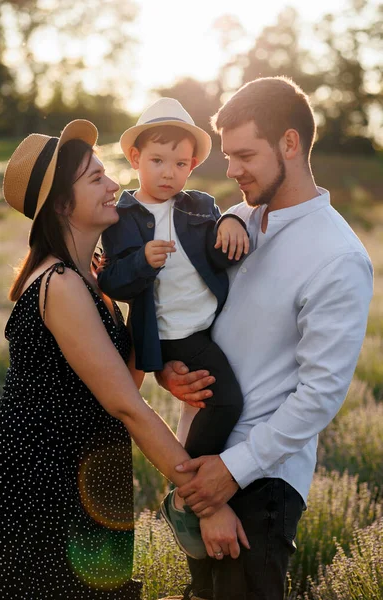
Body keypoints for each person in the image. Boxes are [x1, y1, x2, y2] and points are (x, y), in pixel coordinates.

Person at [0, 119, 248, 599]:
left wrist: (165, 367)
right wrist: (204, 502)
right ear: (63, 203)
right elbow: (126, 404)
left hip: (84, 475)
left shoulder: (93, 280)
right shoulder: (60, 284)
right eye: (96, 178)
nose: (114, 186)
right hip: (39, 483)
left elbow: (118, 376)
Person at [157, 77, 373, 600]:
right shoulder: (238, 222)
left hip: (261, 483)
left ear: (290, 144)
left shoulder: (337, 258)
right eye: (229, 156)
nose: (231, 170)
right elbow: (190, 315)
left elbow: (320, 395)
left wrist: (231, 473)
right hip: (200, 458)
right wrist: (169, 372)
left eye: (245, 155)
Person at [97, 98, 250, 556]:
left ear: (193, 165)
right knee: (226, 401)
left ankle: (195, 485)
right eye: (158, 161)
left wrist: (234, 222)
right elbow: (114, 281)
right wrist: (142, 261)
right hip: (166, 334)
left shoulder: (200, 205)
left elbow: (221, 251)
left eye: (180, 163)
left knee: (208, 399)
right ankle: (195, 487)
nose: (168, 172)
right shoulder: (124, 217)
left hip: (207, 328)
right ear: (136, 159)